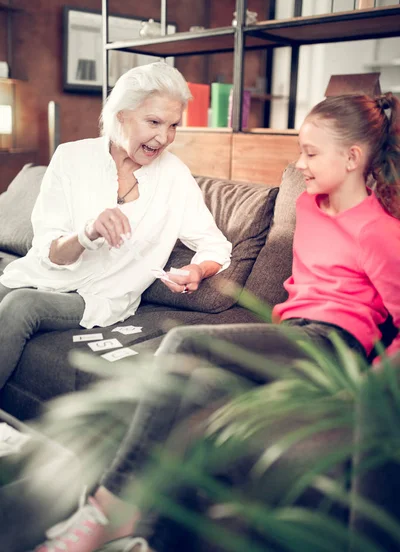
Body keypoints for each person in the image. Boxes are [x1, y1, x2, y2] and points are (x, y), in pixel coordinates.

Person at [32, 91, 400, 552]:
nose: (299, 164)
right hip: (291, 337)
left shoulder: (379, 231)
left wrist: (370, 384)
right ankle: (153, 536)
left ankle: (110, 506)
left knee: (186, 344)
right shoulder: (308, 206)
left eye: (309, 153)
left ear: (352, 157)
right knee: (194, 404)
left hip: (332, 348)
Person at [0, 61, 232, 391]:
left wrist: (197, 270)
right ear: (121, 114)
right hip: (45, 274)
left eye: (173, 126)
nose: (164, 138)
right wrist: (87, 232)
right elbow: (49, 252)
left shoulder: (175, 177)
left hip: (98, 298)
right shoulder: (70, 158)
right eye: (153, 121)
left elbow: (215, 245)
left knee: (22, 306)